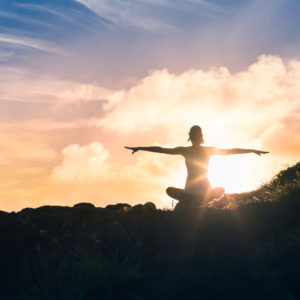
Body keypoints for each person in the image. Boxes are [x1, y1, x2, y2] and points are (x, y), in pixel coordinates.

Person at [125, 125, 268, 207]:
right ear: (200, 137)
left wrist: (140, 148)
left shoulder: (185, 150)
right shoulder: (208, 150)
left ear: (190, 137)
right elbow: (231, 151)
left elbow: (161, 149)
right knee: (221, 189)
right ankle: (203, 199)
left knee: (170, 190)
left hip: (189, 195)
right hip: (205, 194)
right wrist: (252, 150)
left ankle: (191, 201)